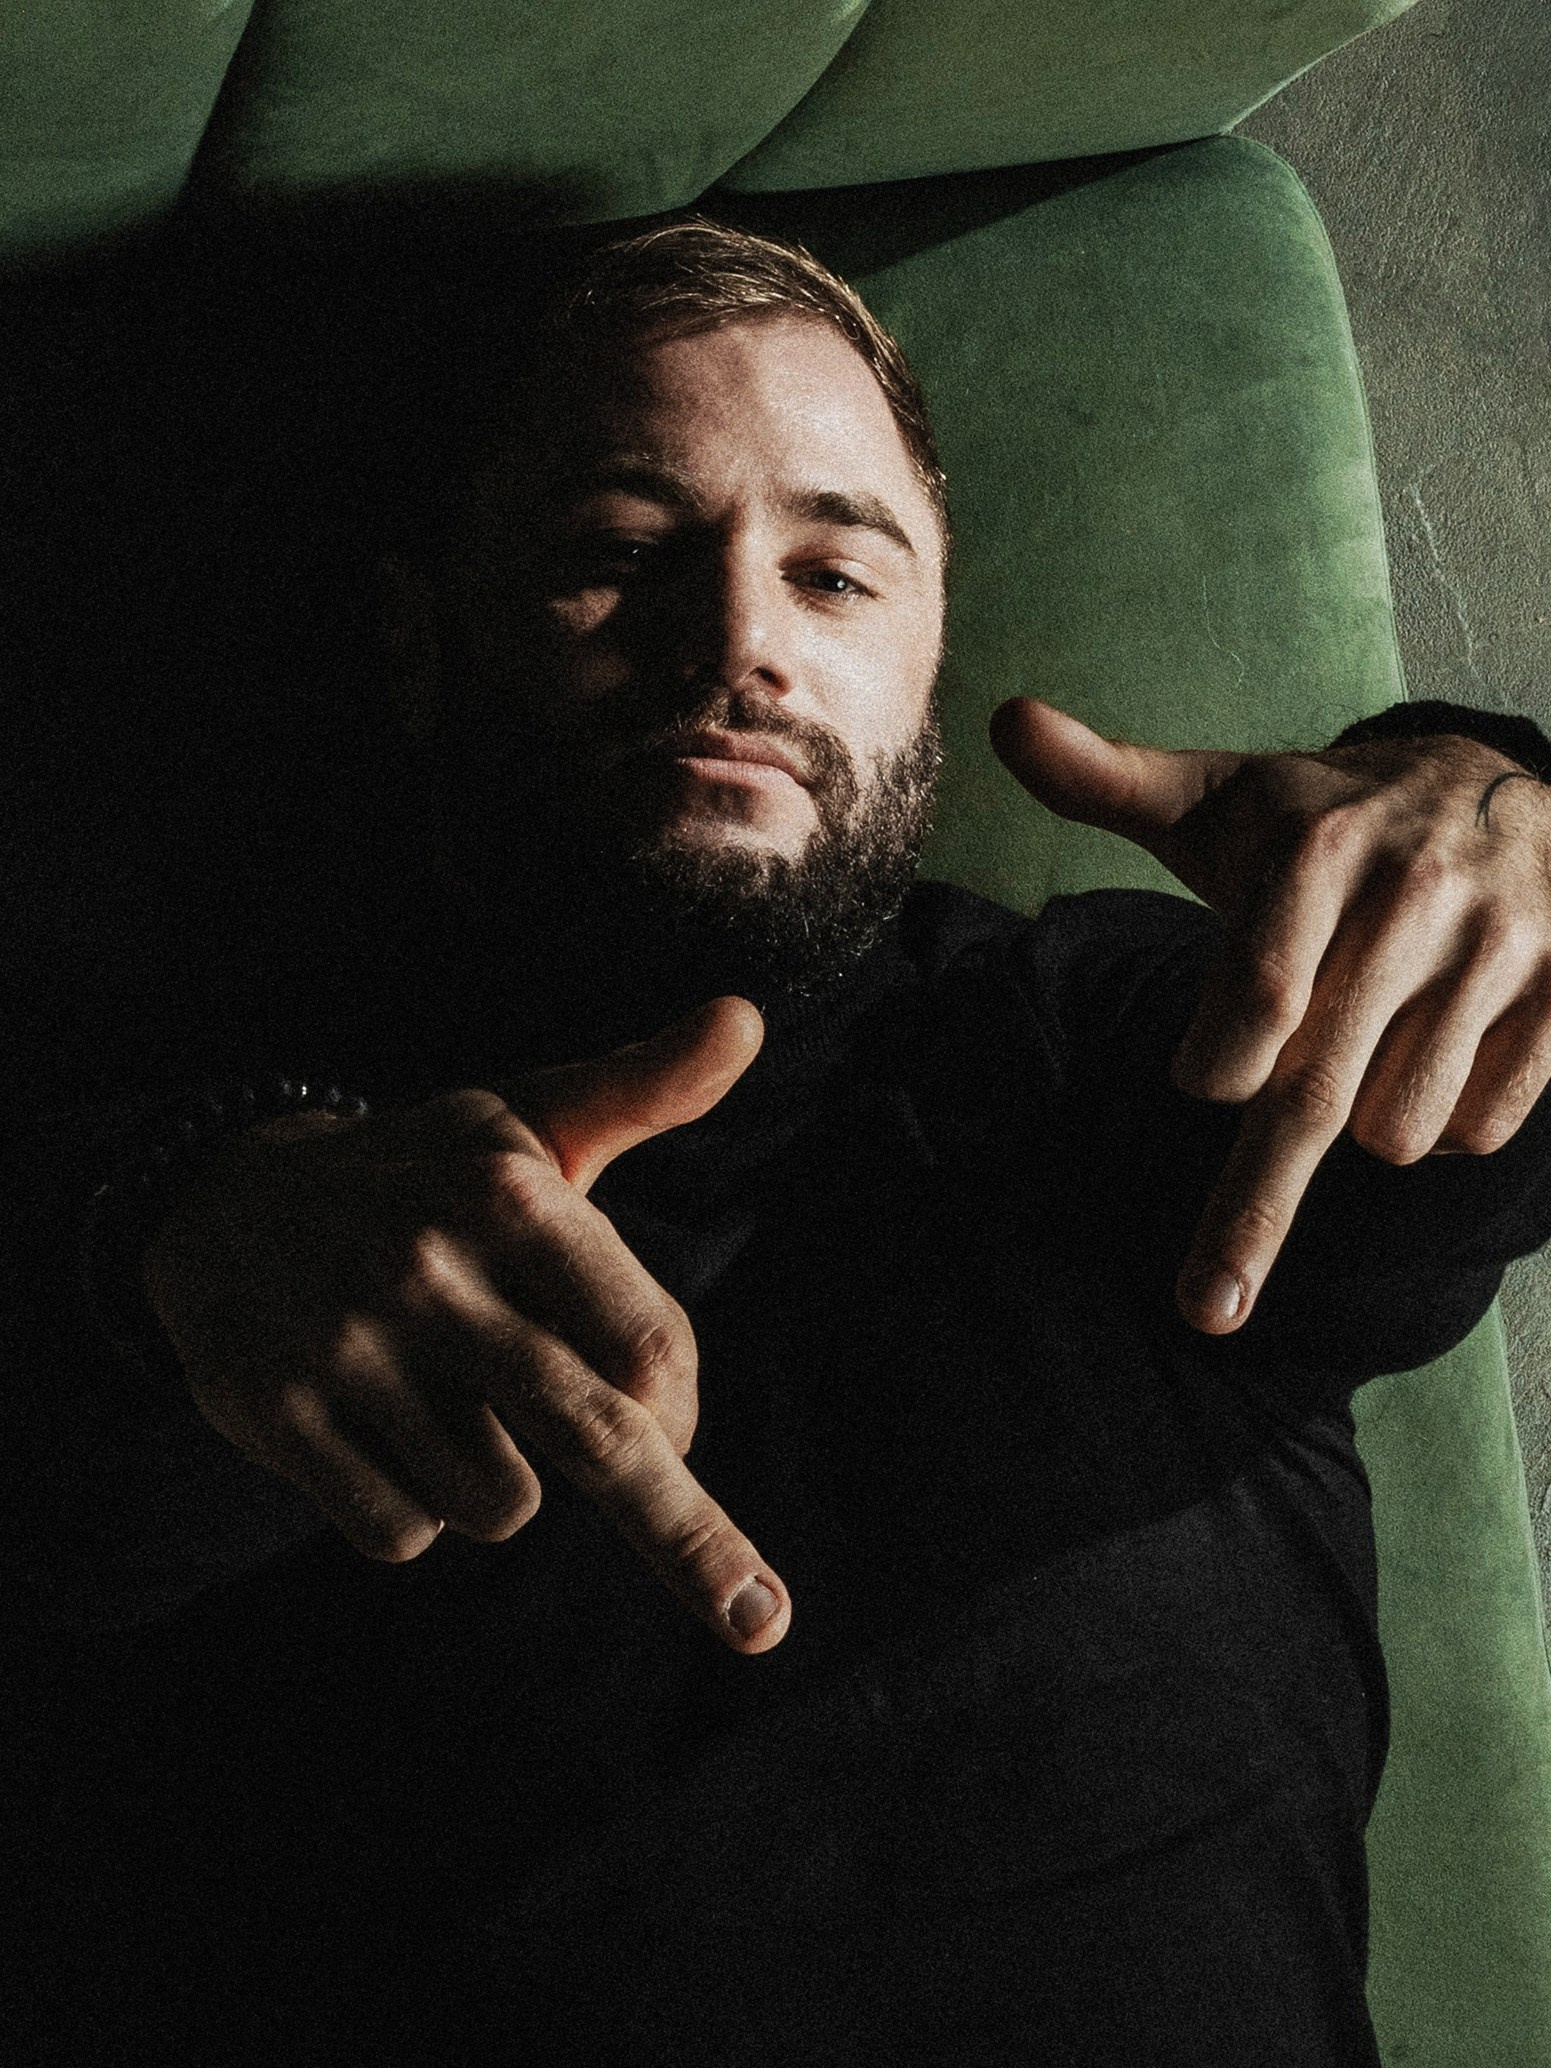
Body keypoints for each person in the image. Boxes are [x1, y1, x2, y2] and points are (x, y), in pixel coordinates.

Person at [11, 218, 1551, 2065]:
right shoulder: (198, 1124)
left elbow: (1457, 1149)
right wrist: (169, 1244)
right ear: (419, 636)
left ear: (930, 655)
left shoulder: (1110, 1044)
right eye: (615, 553)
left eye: (835, 575)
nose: (741, 639)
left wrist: (1500, 826)